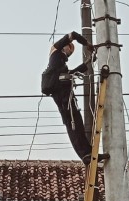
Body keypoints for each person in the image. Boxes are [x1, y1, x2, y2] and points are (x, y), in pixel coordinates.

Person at [41, 31, 108, 165]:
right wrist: (87, 44)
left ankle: (88, 153)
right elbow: (73, 35)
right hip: (61, 93)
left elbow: (72, 73)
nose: (69, 52)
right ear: (65, 45)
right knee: (71, 121)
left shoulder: (61, 65)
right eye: (70, 48)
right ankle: (84, 154)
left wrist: (89, 61)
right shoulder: (55, 51)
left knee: (76, 121)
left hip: (65, 93)